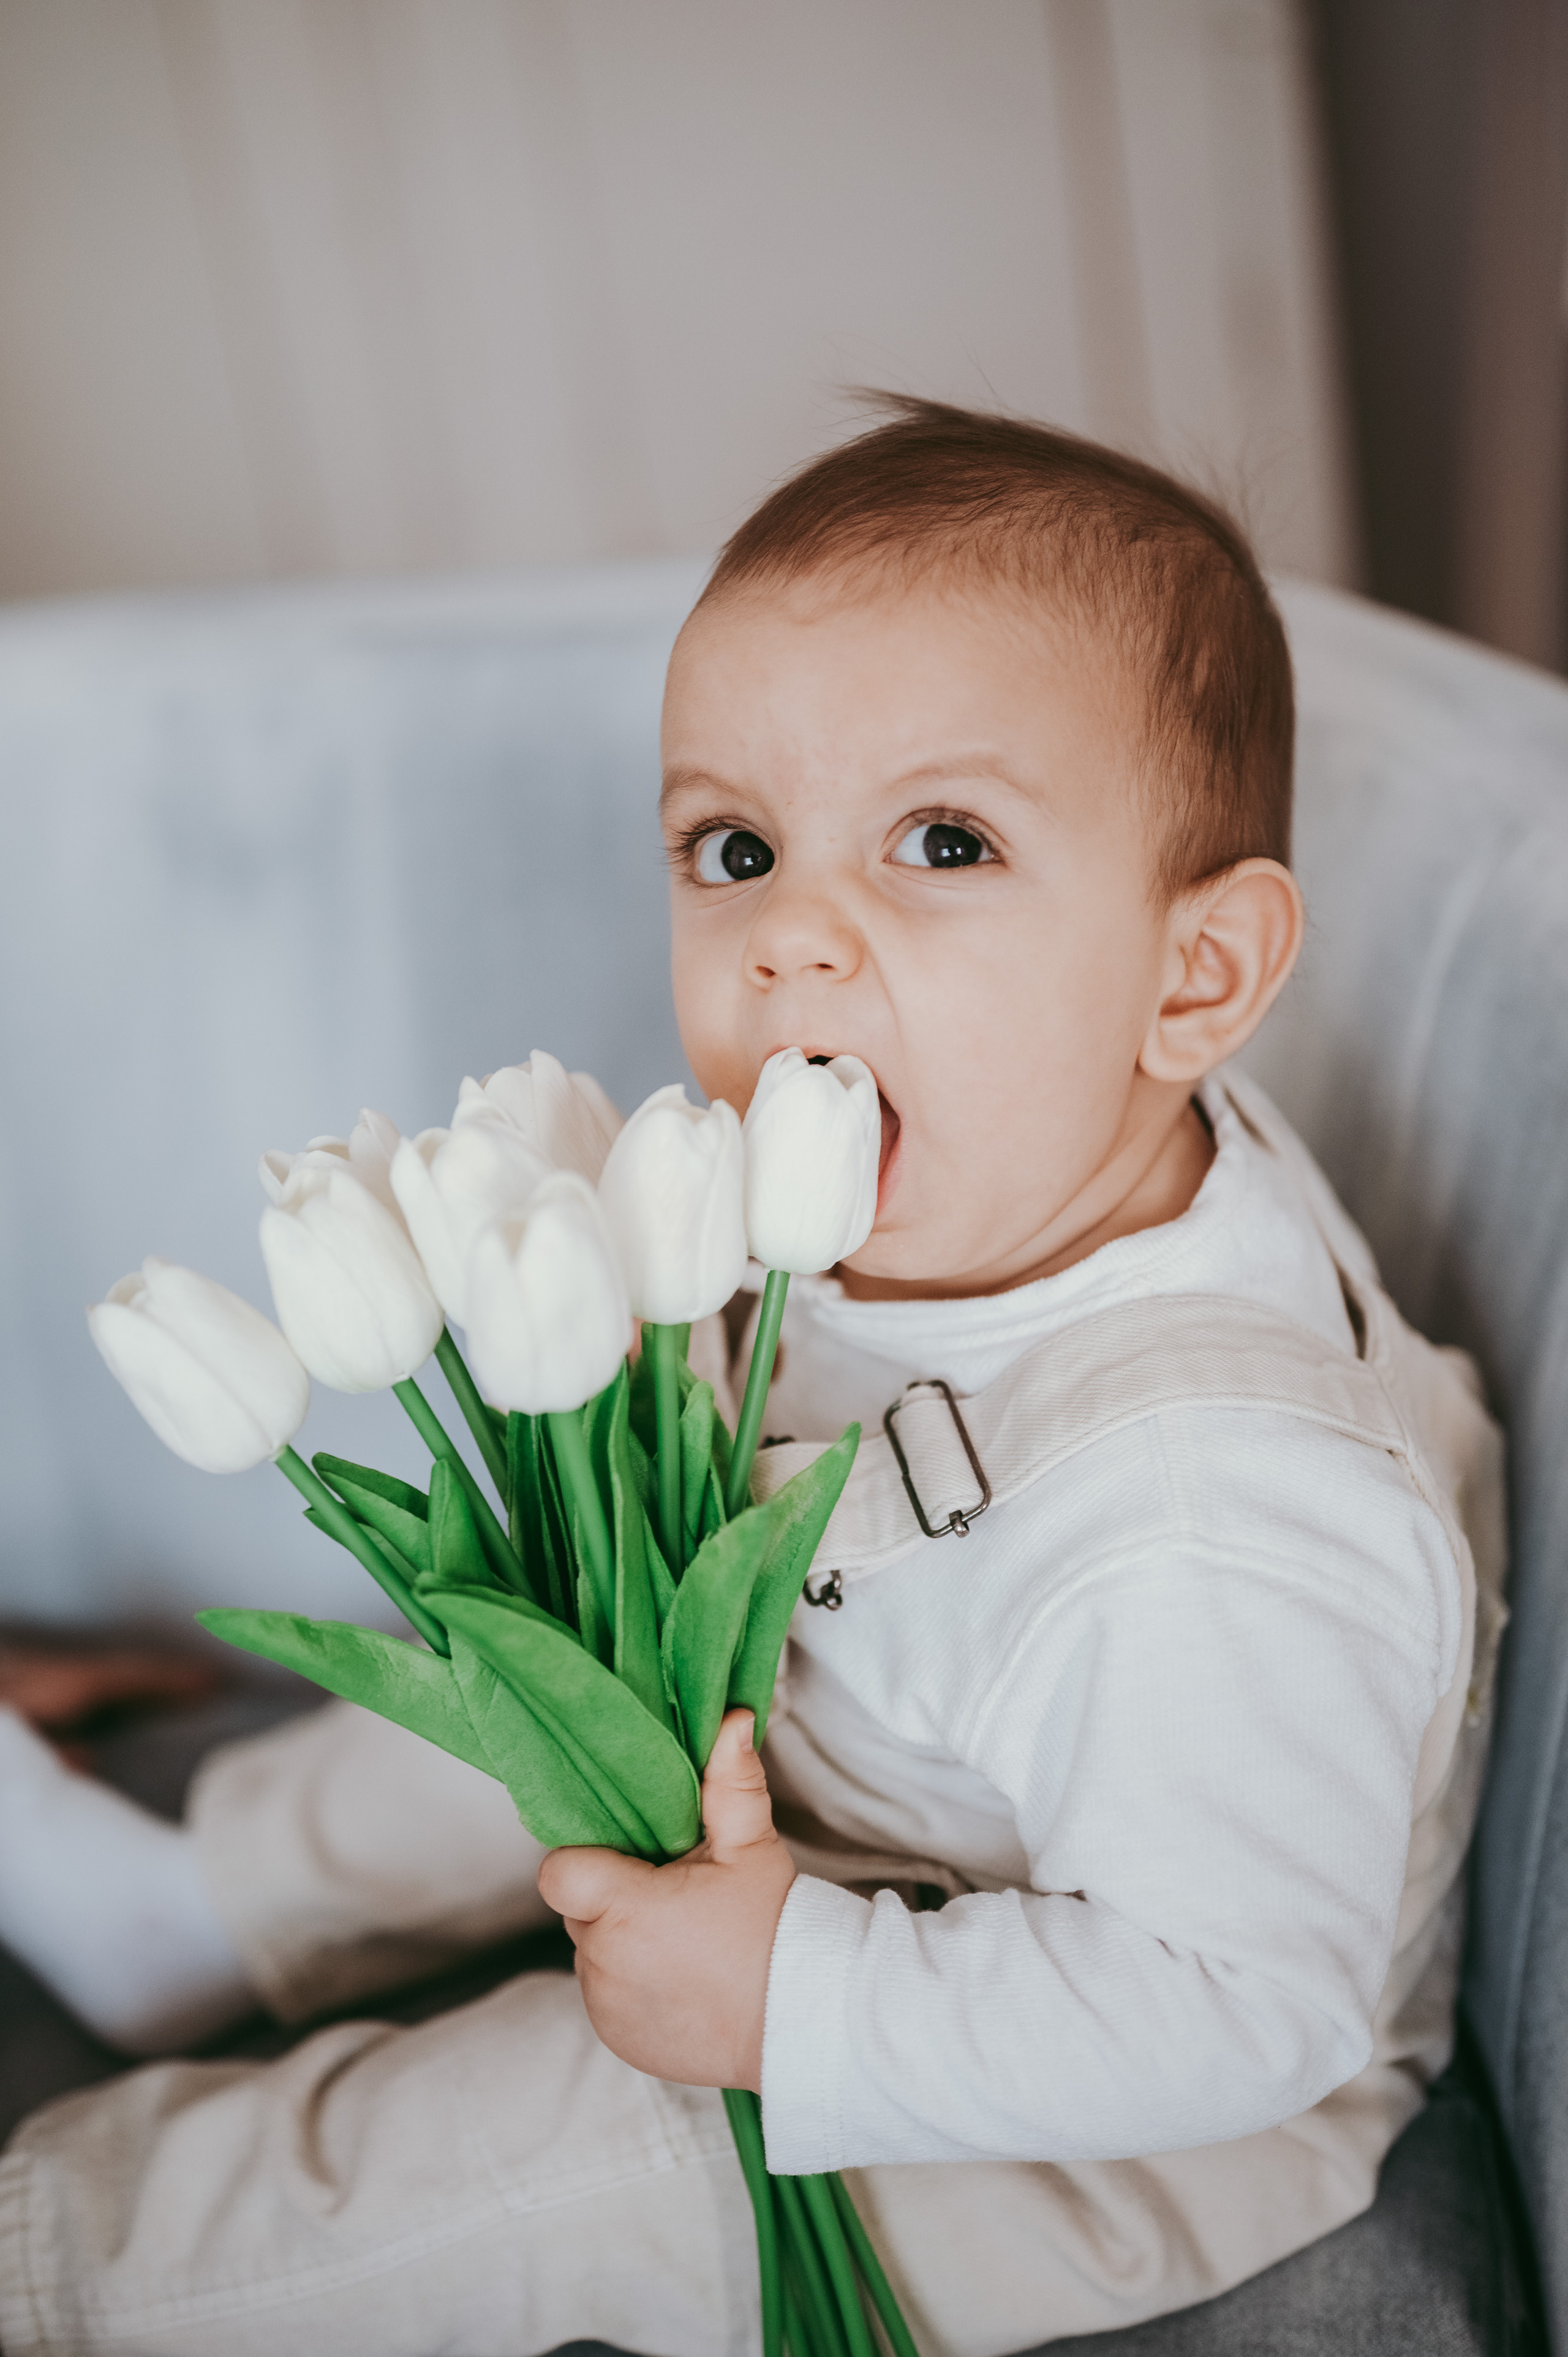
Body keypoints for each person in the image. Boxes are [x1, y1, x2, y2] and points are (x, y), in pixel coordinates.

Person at [0, 400, 1506, 2357]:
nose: (792, 934)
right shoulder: (1007, 1152)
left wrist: (794, 1997)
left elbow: (1239, 2010)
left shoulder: (1220, 1514)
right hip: (834, 1758)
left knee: (520, 2156)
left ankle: (65, 2263)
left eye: (944, 843)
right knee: (542, 1657)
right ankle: (207, 1904)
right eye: (735, 849)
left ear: (1194, 979)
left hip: (1072, 2110)